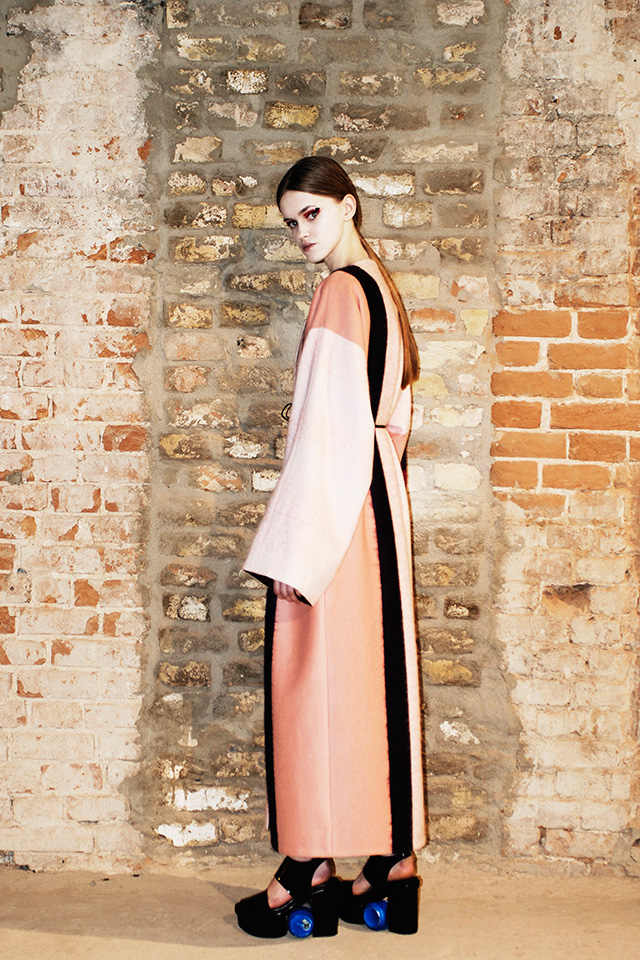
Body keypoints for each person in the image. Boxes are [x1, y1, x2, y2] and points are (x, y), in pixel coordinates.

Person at [234, 156, 426, 939]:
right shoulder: (381, 289)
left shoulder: (342, 292)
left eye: (312, 213)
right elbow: (395, 416)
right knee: (372, 690)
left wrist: (297, 550)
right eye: (291, 222)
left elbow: (322, 431)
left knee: (312, 691)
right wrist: (381, 494)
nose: (301, 233)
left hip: (339, 513)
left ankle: (307, 872)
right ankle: (389, 866)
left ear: (348, 205)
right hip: (377, 503)